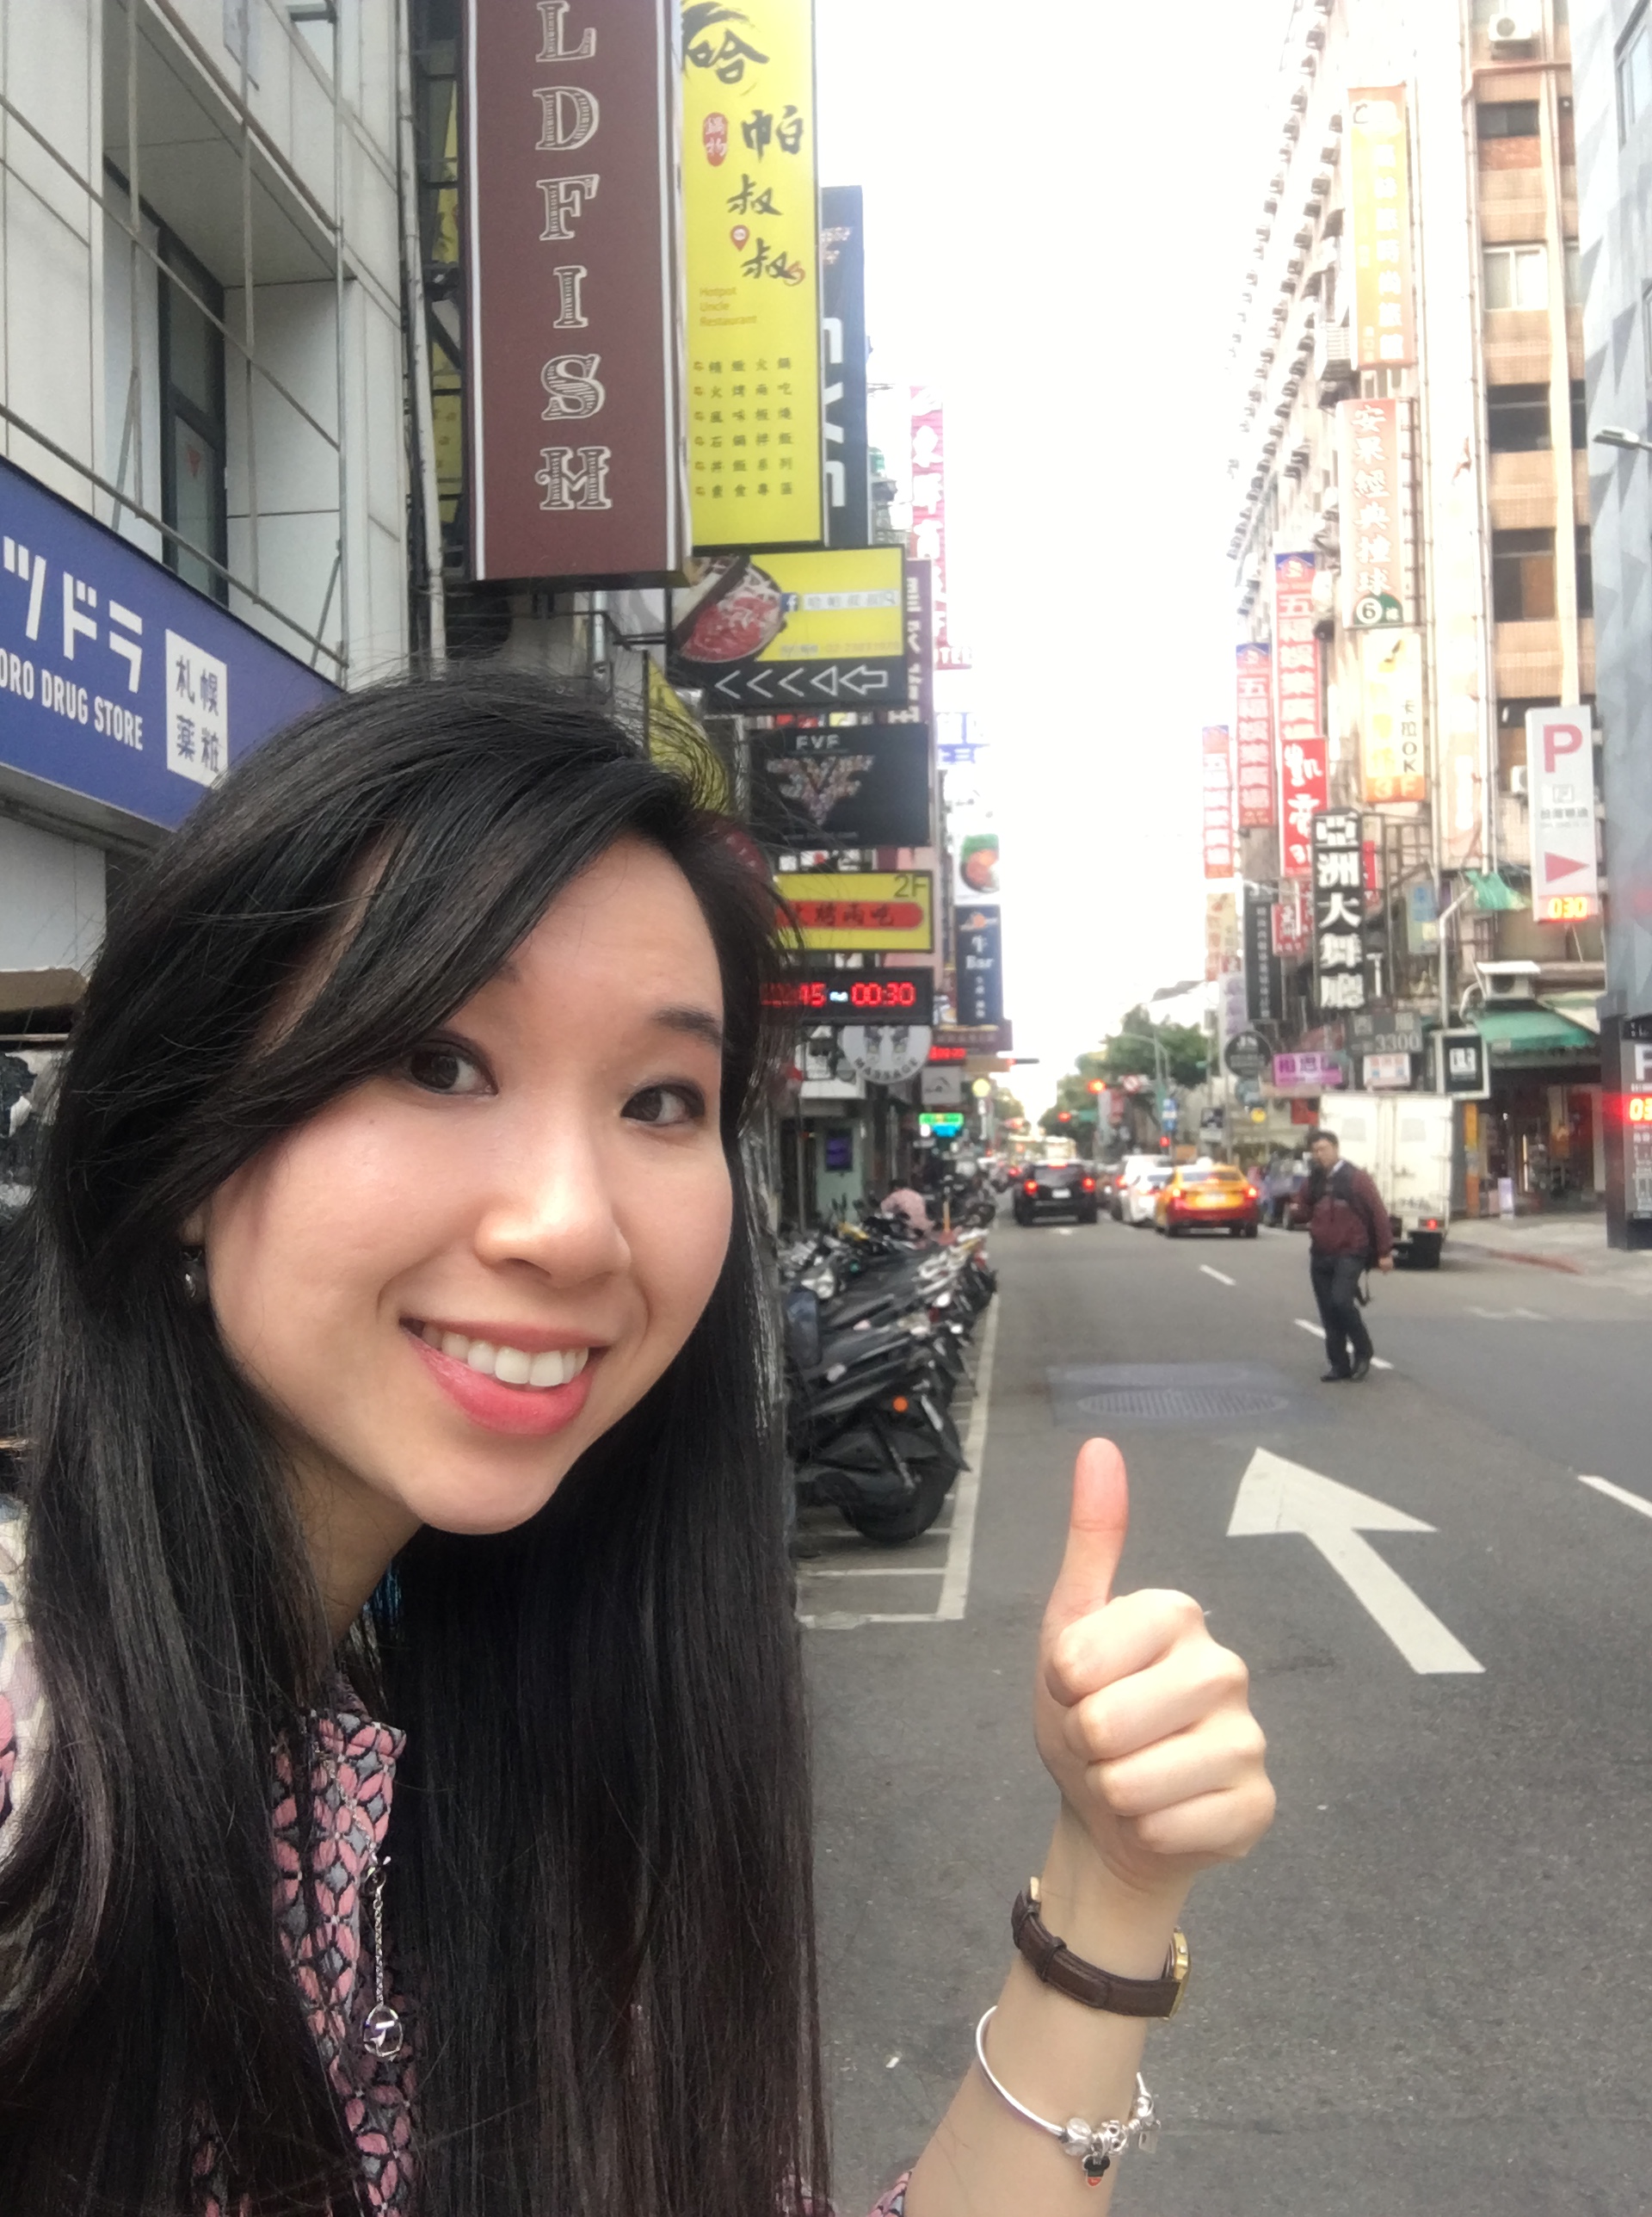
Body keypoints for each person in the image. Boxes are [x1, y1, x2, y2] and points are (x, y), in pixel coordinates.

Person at [0, 672, 1273, 2214]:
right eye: (439, 1061)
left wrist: (1110, 1884)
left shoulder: (496, 1740)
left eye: (662, 1100)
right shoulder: (34, 1760)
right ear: (185, 1138)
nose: (571, 1225)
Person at [1290, 1124, 1394, 1381]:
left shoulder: (1357, 1178)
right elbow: (1303, 1211)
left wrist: (1384, 1252)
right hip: (1321, 1253)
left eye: (1324, 1149)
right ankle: (1339, 1365)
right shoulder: (1314, 1180)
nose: (1320, 1155)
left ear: (1335, 1148)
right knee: (1328, 1311)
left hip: (1351, 1251)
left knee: (1341, 1302)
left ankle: (1363, 1351)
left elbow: (1378, 1214)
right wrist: (1295, 1209)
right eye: (1315, 1151)